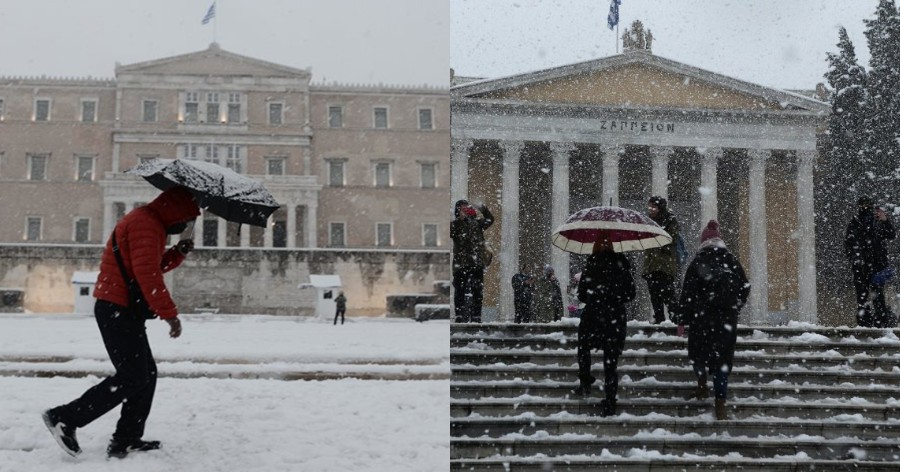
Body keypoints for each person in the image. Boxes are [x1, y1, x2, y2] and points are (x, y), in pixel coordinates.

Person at [42, 186, 200, 458]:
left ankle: (126, 438)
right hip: (117, 307)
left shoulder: (148, 222)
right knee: (134, 375)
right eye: (184, 219)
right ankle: (65, 417)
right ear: (174, 211)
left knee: (145, 374)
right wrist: (170, 314)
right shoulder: (146, 226)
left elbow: (143, 264)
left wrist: (176, 253)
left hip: (121, 307)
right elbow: (147, 275)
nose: (184, 226)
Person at [674, 220, 750, 421]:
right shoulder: (731, 261)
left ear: (703, 241)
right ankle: (720, 403)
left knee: (698, 356)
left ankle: (701, 386)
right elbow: (745, 286)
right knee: (722, 362)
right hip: (726, 320)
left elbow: (687, 293)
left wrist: (682, 318)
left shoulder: (698, 261)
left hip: (702, 319)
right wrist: (735, 306)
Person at [573, 230, 636, 417]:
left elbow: (582, 294)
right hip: (614, 317)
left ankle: (585, 380)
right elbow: (631, 293)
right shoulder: (621, 265)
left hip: (594, 314)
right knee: (611, 362)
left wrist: (596, 296)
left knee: (584, 346)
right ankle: (610, 402)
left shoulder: (591, 264)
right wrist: (615, 297)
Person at [844, 196, 896, 327]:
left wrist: (885, 221)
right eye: (863, 205)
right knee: (863, 297)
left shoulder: (876, 222)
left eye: (867, 205)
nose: (865, 207)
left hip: (876, 266)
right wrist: (856, 259)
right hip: (861, 267)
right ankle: (866, 323)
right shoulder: (855, 223)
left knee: (876, 297)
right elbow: (849, 244)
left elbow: (891, 235)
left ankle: (879, 323)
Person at [450, 199, 494, 323]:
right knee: (460, 291)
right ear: (458, 211)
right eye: (462, 208)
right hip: (461, 265)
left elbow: (490, 219)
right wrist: (460, 219)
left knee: (477, 291)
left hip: (477, 264)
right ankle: (459, 316)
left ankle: (476, 317)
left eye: (467, 207)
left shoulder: (478, 223)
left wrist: (482, 208)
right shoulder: (456, 225)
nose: (466, 209)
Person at [643, 196, 680, 324]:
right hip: (651, 265)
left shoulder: (669, 220)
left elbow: (672, 239)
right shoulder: (648, 221)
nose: (650, 209)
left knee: (668, 295)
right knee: (654, 296)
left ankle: (675, 320)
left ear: (660, 208)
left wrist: (658, 234)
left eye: (653, 207)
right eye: (650, 206)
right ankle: (659, 319)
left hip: (664, 265)